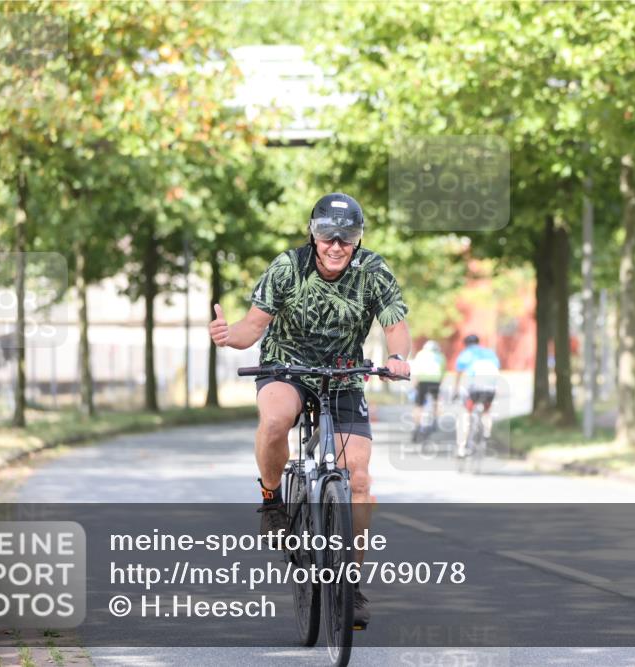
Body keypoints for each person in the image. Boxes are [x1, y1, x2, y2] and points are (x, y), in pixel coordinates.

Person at [208, 193, 410, 628]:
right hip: (288, 366)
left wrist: (396, 359)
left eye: (347, 237)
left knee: (358, 478)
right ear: (313, 234)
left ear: (358, 240)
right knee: (277, 419)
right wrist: (229, 335)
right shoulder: (287, 267)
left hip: (343, 374)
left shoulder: (373, 270)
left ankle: (351, 585)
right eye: (327, 235)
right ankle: (271, 500)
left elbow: (396, 325)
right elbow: (252, 327)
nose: (336, 245)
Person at [452, 334, 501, 457]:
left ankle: (461, 448)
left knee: (465, 414)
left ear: (466, 344)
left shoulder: (466, 353)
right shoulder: (490, 353)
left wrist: (456, 391)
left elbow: (458, 374)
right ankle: (486, 433)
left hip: (475, 388)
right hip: (490, 387)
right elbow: (496, 370)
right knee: (486, 412)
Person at [409, 340, 446, 441]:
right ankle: (435, 421)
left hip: (422, 380)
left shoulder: (420, 355)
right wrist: (439, 384)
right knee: (436, 401)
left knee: (419, 405)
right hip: (435, 381)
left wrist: (414, 385)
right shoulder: (440, 356)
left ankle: (417, 426)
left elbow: (415, 370)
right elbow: (443, 372)